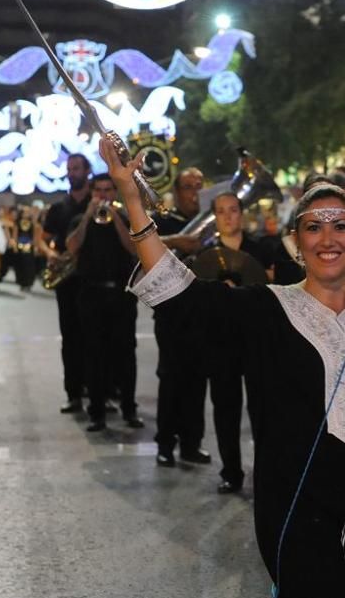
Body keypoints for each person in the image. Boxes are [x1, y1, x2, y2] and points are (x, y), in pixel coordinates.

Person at [101, 135, 345, 598]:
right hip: (295, 510)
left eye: (340, 225)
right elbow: (180, 295)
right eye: (314, 227)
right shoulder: (267, 309)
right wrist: (133, 200)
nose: (328, 239)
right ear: (296, 240)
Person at [201, 192, 274, 494]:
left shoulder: (262, 248)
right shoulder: (205, 255)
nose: (229, 216)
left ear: (242, 213)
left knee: (263, 409)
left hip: (257, 341)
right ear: (215, 217)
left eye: (233, 210)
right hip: (221, 342)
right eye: (222, 211)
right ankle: (231, 471)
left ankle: (267, 470)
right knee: (225, 409)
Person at [65, 173, 144, 431]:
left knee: (126, 354)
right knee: (94, 355)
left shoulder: (124, 218)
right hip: (91, 294)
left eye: (108, 190)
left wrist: (116, 218)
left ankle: (129, 409)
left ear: (115, 192)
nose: (103, 195)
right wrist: (89, 215)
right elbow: (72, 246)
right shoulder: (81, 219)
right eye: (98, 191)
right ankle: (96, 412)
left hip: (121, 294)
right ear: (92, 193)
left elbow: (133, 249)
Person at [151, 167, 210, 467]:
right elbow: (146, 250)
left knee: (197, 381)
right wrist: (176, 241)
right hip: (172, 311)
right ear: (177, 191)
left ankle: (191, 443)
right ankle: (165, 443)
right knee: (171, 378)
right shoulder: (164, 222)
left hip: (203, 313)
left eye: (199, 185)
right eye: (188, 186)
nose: (195, 192)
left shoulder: (210, 224)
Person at [39, 154, 92, 413]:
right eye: (69, 169)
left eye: (76, 168)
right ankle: (74, 394)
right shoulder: (58, 208)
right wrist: (51, 255)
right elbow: (42, 238)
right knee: (70, 339)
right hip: (68, 280)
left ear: (87, 171)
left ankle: (99, 393)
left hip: (94, 278)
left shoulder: (99, 204)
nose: (72, 173)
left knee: (95, 339)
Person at [14, 205, 38, 291]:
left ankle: (29, 283)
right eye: (25, 212)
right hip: (20, 245)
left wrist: (35, 246)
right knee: (21, 265)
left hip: (29, 245)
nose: (26, 214)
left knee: (29, 265)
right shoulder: (18, 222)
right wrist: (15, 245)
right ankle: (22, 282)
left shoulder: (32, 222)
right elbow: (15, 234)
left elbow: (35, 234)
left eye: (28, 212)